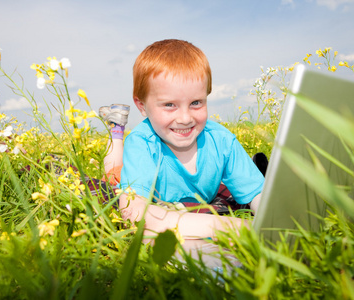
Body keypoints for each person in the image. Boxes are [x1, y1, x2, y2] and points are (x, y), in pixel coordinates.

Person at [100, 39, 265, 240]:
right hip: (130, 175)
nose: (185, 119)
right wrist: (225, 226)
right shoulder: (142, 142)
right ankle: (116, 130)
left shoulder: (222, 141)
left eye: (196, 102)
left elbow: (260, 197)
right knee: (113, 173)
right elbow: (133, 214)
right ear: (142, 106)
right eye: (169, 104)